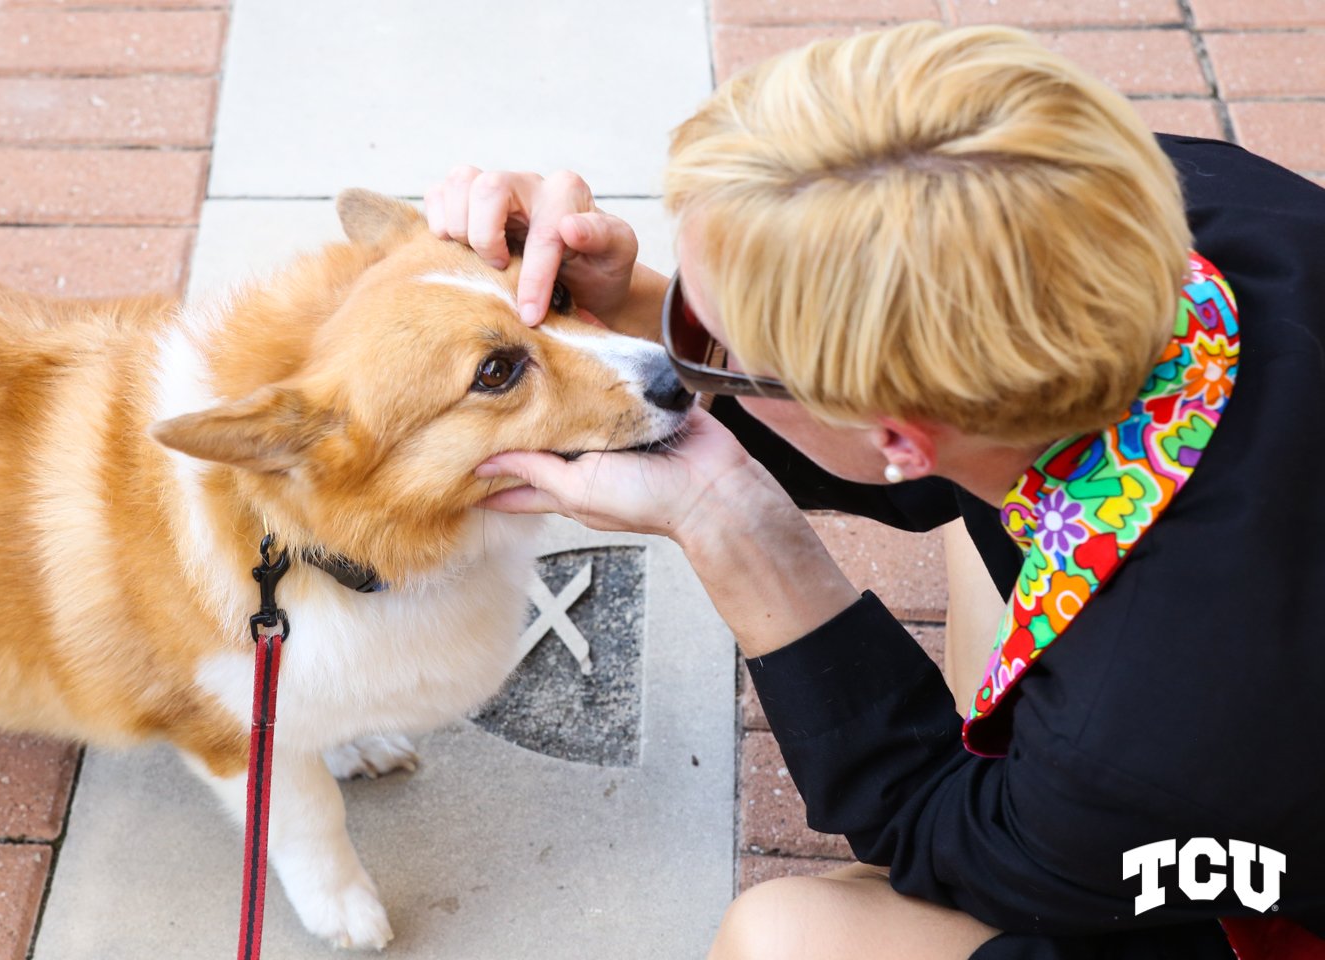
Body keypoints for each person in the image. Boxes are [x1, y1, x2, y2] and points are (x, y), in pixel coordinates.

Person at [428, 22, 1325, 960]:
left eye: (708, 344)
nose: (669, 348)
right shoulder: (1144, 198)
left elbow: (947, 829)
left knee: (785, 941)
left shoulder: (1139, 738)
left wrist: (730, 523)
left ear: (900, 435)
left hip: (1226, 826)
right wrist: (617, 300)